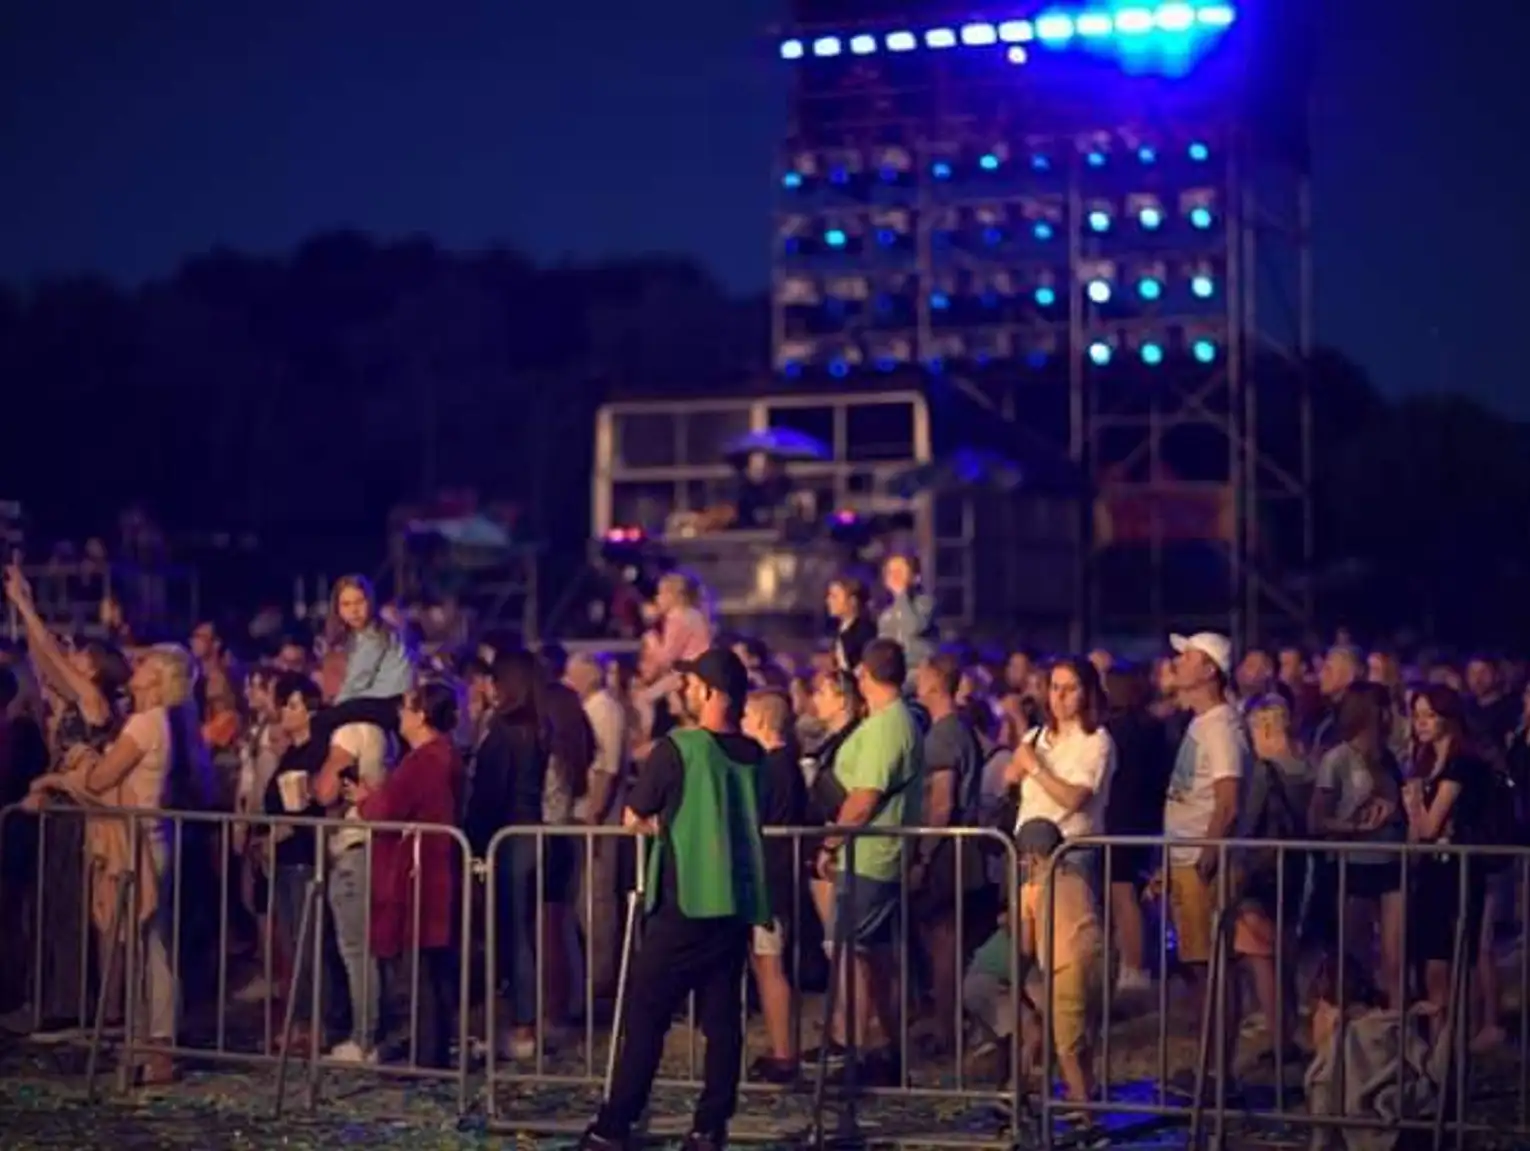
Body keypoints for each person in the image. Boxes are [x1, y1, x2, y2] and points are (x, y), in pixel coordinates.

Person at [580, 646, 769, 1151]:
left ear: (709, 692)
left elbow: (635, 814)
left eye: (691, 684)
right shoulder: (753, 753)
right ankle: (710, 1127)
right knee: (723, 1021)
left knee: (646, 1017)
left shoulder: (679, 748)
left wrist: (661, 821)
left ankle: (614, 1125)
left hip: (684, 900)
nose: (684, 691)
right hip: (733, 903)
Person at [349, 682, 466, 1068]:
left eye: (405, 709)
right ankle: (429, 1050)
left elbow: (390, 808)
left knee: (423, 970)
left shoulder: (425, 760)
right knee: (432, 969)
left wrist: (366, 800)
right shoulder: (442, 755)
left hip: (421, 871)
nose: (400, 715)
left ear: (420, 715)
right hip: (433, 867)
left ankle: (426, 1055)